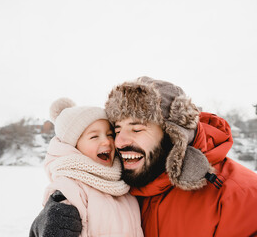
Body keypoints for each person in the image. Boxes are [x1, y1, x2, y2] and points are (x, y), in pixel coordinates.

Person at [30, 77, 257, 237]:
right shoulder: (121, 184)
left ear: (172, 135)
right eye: (117, 129)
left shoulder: (240, 196)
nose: (118, 142)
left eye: (137, 129)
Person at [29, 98, 144, 237]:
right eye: (94, 136)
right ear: (74, 146)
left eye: (110, 134)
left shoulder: (124, 184)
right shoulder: (70, 189)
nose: (106, 141)